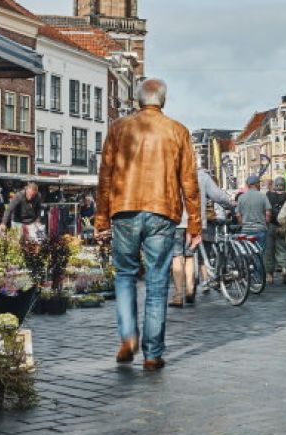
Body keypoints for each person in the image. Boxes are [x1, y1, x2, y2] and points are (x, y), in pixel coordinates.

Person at [95, 79, 201, 372]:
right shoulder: (177, 131)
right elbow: (189, 181)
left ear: (138, 99)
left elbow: (105, 175)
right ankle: (153, 353)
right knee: (156, 281)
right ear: (162, 100)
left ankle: (128, 336)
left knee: (125, 275)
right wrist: (194, 222)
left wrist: (101, 218)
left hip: (124, 208)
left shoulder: (118, 127)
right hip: (162, 210)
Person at [171, 168, 234, 308]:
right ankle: (189, 289)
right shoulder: (202, 176)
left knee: (177, 256)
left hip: (176, 221)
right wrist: (230, 203)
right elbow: (217, 195)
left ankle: (177, 295)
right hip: (195, 221)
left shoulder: (172, 173)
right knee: (189, 256)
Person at [237, 174, 273, 285]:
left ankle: (248, 277)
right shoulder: (263, 196)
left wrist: (243, 224)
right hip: (260, 230)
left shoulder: (241, 197)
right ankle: (258, 279)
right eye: (259, 183)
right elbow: (268, 213)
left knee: (247, 255)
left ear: (248, 185)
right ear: (256, 184)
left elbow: (238, 215)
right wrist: (265, 224)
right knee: (259, 255)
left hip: (246, 230)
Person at [265, 177, 286, 281]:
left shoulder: (269, 195)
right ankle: (284, 268)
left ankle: (269, 275)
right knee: (284, 249)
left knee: (269, 250)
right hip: (283, 225)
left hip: (271, 225)